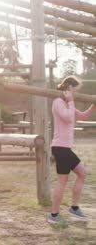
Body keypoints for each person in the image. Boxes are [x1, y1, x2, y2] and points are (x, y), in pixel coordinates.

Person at [48, 76, 94, 224]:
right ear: (69, 87)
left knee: (82, 173)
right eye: (75, 90)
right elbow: (68, 118)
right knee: (62, 180)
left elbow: (82, 116)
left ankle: (74, 208)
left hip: (65, 148)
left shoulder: (68, 103)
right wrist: (71, 101)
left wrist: (93, 105)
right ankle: (54, 215)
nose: (76, 93)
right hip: (60, 147)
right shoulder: (58, 102)